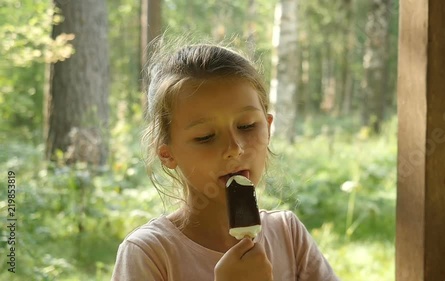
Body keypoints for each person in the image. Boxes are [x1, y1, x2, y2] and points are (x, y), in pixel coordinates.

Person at [111, 42, 340, 281]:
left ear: (268, 129)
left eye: (247, 126)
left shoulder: (288, 235)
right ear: (167, 154)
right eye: (206, 137)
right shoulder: (149, 254)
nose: (234, 149)